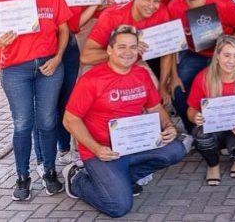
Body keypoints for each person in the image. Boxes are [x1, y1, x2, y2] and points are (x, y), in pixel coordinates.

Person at [62, 25, 186, 218]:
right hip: (103, 152)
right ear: (110, 50)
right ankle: (77, 179)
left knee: (176, 149)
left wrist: (169, 126)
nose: (128, 52)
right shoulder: (92, 80)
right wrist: (96, 148)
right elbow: (70, 120)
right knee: (118, 206)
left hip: (134, 145)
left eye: (133, 47)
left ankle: (122, 178)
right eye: (121, 47)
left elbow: (155, 108)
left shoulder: (141, 74)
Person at [0, 0, 72, 200]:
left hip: (49, 66)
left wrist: (58, 58)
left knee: (47, 122)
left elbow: (64, 29)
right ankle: (22, 176)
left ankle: (49, 171)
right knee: (23, 124)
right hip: (15, 70)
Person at [42, 0, 98, 167]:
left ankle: (65, 148)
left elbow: (76, 24)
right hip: (48, 47)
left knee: (67, 99)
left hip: (70, 47)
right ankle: (47, 153)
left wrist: (96, 2)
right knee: (48, 104)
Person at [167, 0, 235, 131]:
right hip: (194, 53)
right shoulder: (173, 7)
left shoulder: (222, 2)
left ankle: (230, 130)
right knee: (178, 90)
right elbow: (172, 43)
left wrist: (229, 50)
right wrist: (173, 76)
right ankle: (192, 130)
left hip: (223, 52)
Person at [187, 35, 235, 185]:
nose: (231, 61)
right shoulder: (203, 78)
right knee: (201, 135)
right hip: (215, 129)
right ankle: (213, 165)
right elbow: (191, 109)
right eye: (227, 55)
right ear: (217, 56)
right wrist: (195, 117)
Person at [81, 0, 170, 78]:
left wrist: (164, 85)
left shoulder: (162, 11)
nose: (151, 5)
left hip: (135, 63)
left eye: (156, 1)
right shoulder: (111, 16)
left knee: (154, 87)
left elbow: (168, 48)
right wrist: (127, 50)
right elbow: (86, 57)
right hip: (106, 63)